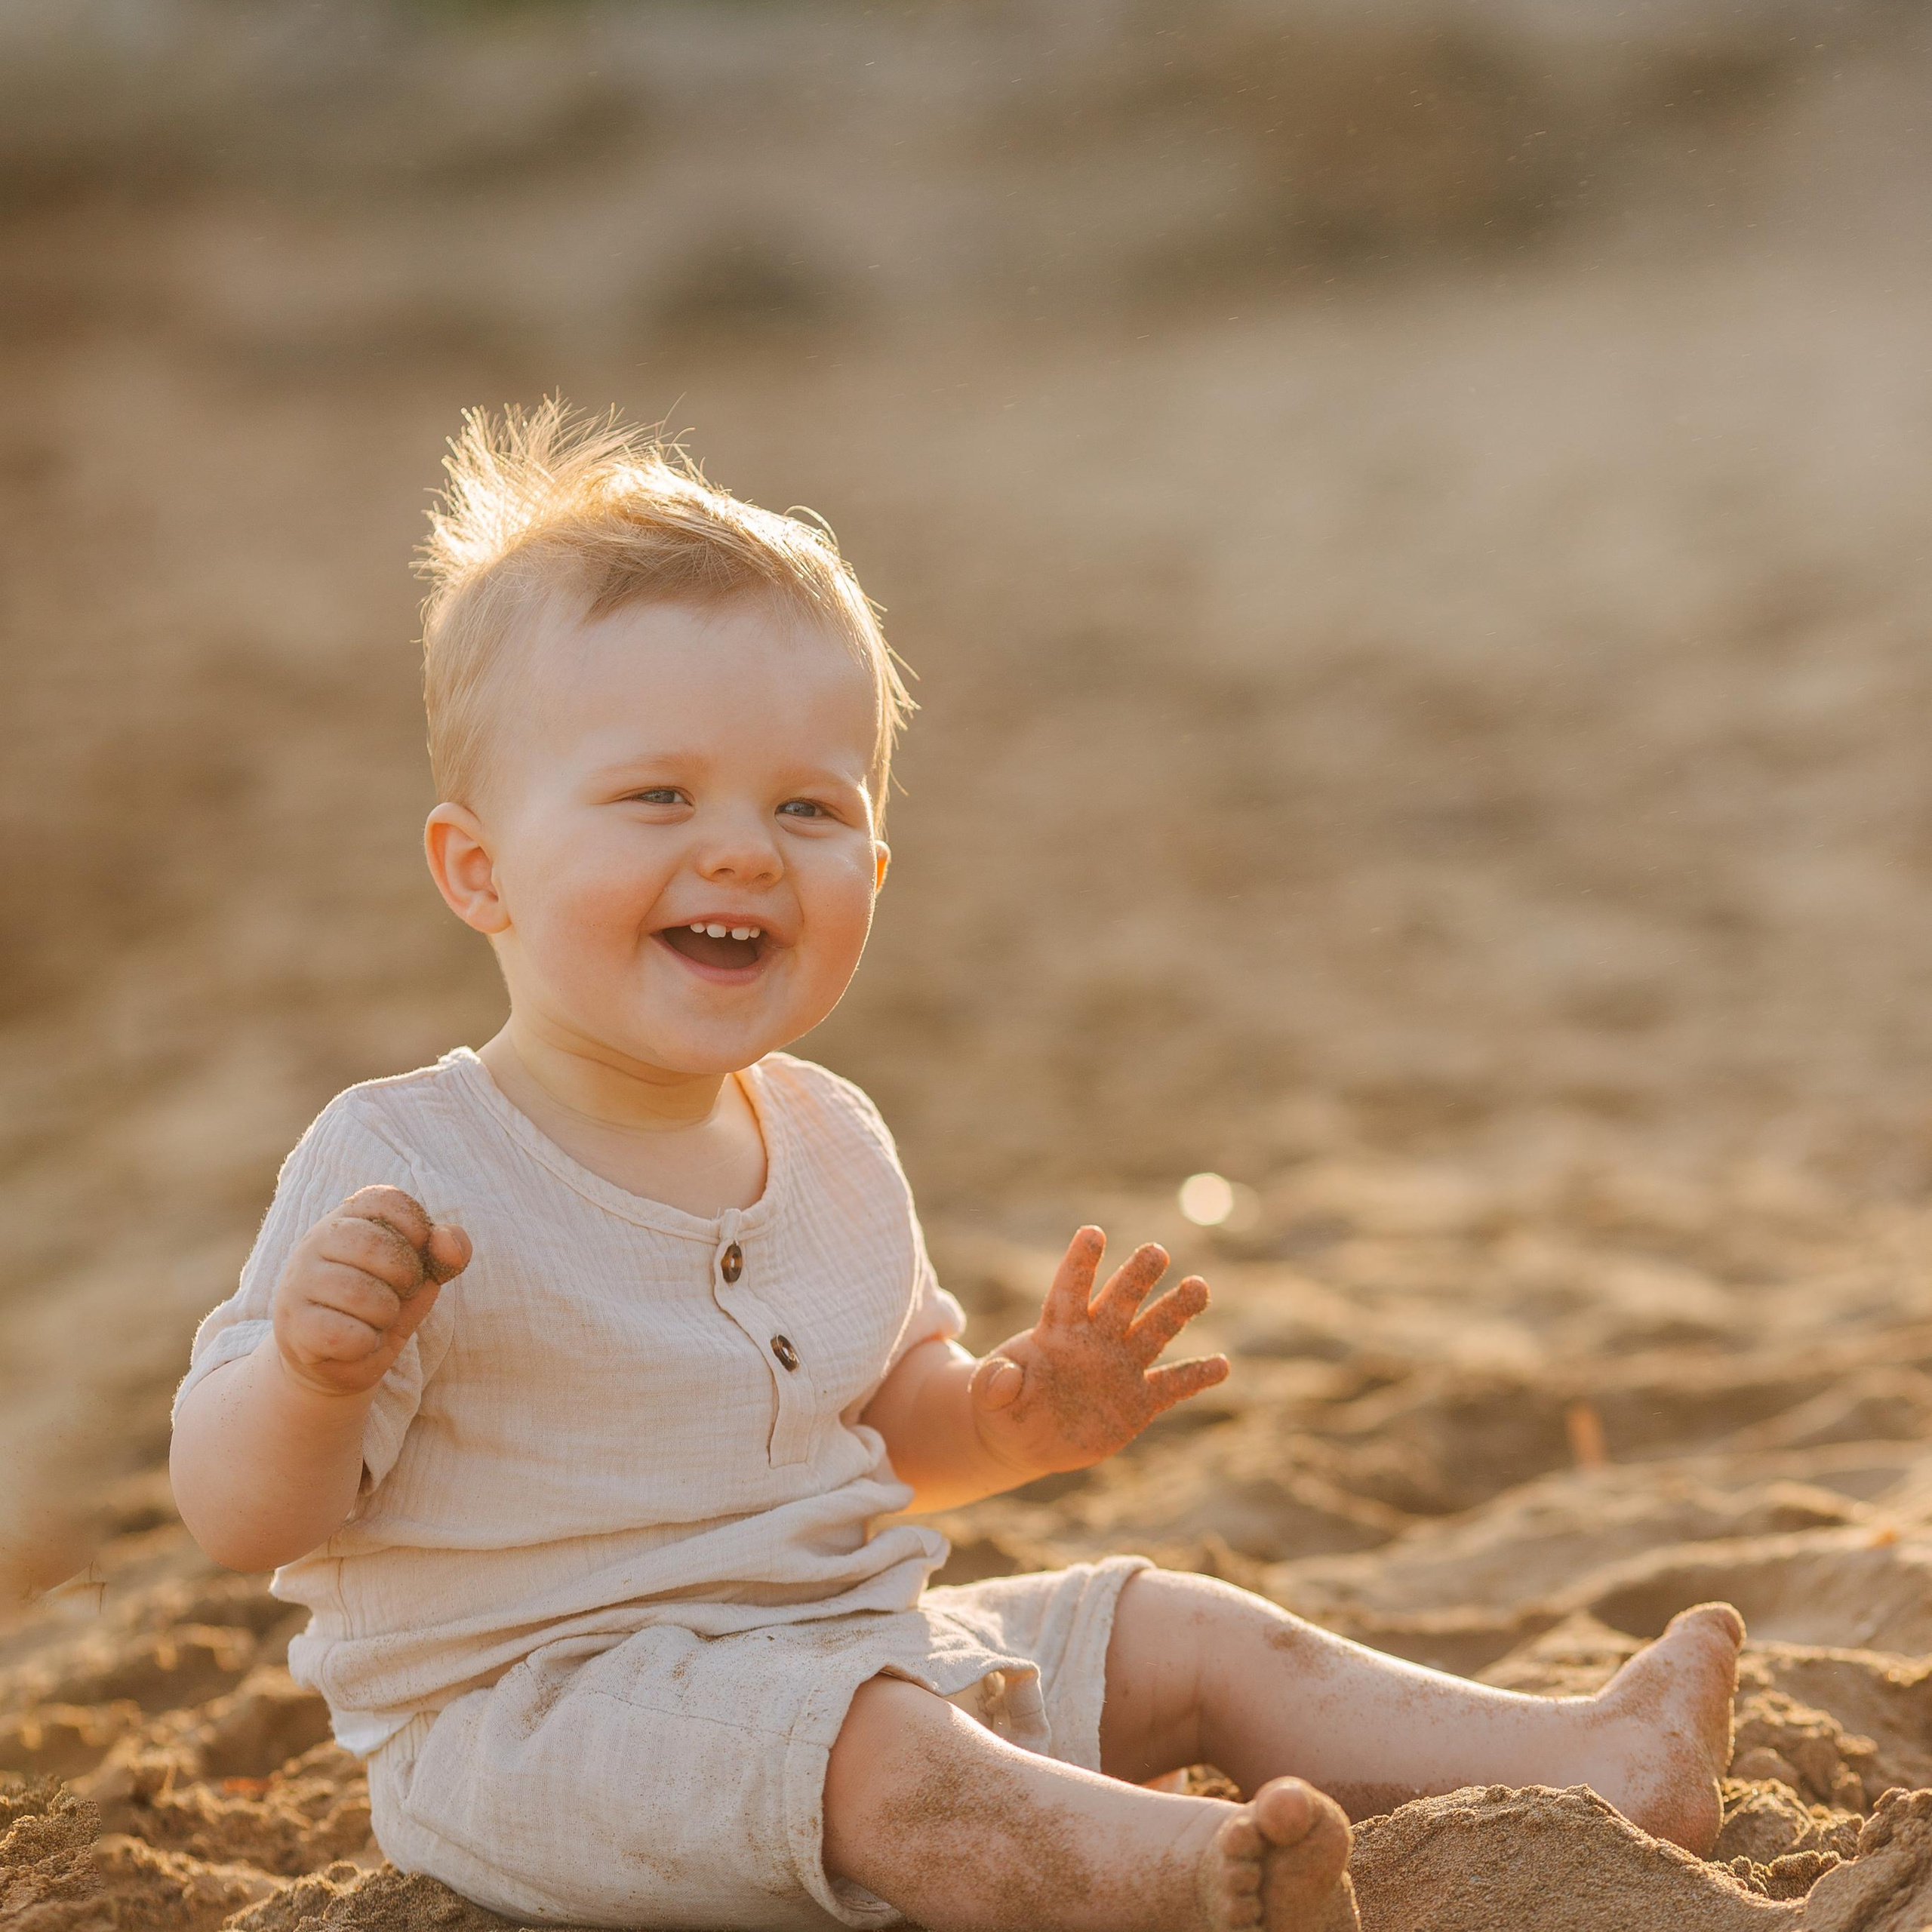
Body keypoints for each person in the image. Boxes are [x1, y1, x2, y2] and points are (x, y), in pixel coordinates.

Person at [168, 403, 1745, 1932]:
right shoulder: (407, 1164)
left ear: (873, 864)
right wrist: (313, 1370)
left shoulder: (832, 1139)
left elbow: (886, 1434)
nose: (739, 849)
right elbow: (245, 1516)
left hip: (849, 1646)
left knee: (1171, 1625)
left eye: (808, 806)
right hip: (545, 1725)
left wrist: (1010, 1412)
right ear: (478, 867)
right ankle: (1190, 1880)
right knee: (898, 1764)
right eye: (657, 794)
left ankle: (1587, 1765)